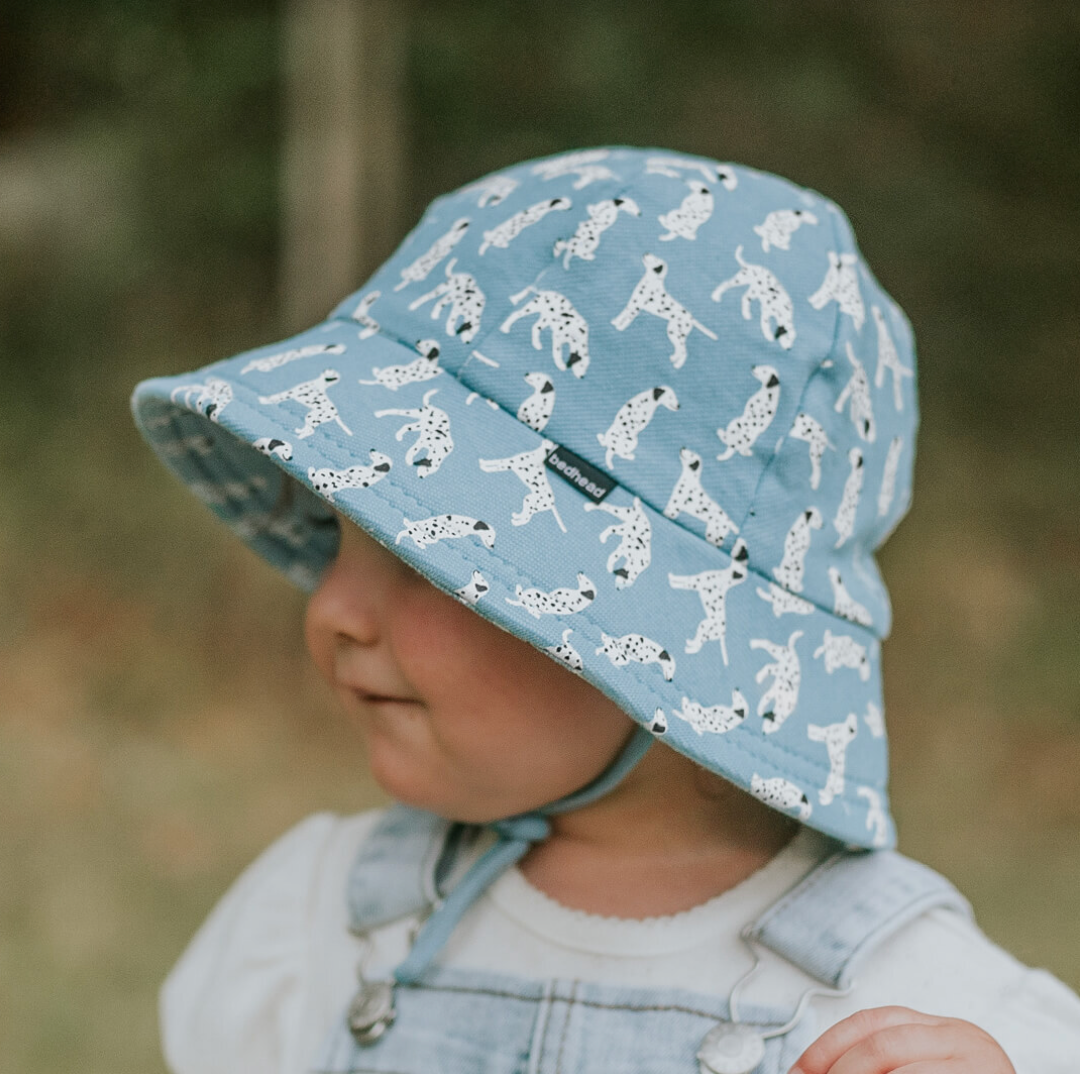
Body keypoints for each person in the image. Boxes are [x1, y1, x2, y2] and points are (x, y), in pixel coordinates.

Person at [131, 147, 1080, 1074]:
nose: (332, 610)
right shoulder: (324, 924)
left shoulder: (915, 1013)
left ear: (662, 635)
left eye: (424, 559)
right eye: (340, 534)